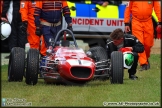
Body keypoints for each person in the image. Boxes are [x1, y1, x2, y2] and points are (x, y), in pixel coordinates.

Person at [124, 1, 161, 71]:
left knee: (148, 44)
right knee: (140, 43)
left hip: (148, 22)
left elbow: (157, 8)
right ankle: (143, 63)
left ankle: (145, 59)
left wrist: (160, 21)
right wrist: (126, 23)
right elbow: (128, 9)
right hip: (136, 22)